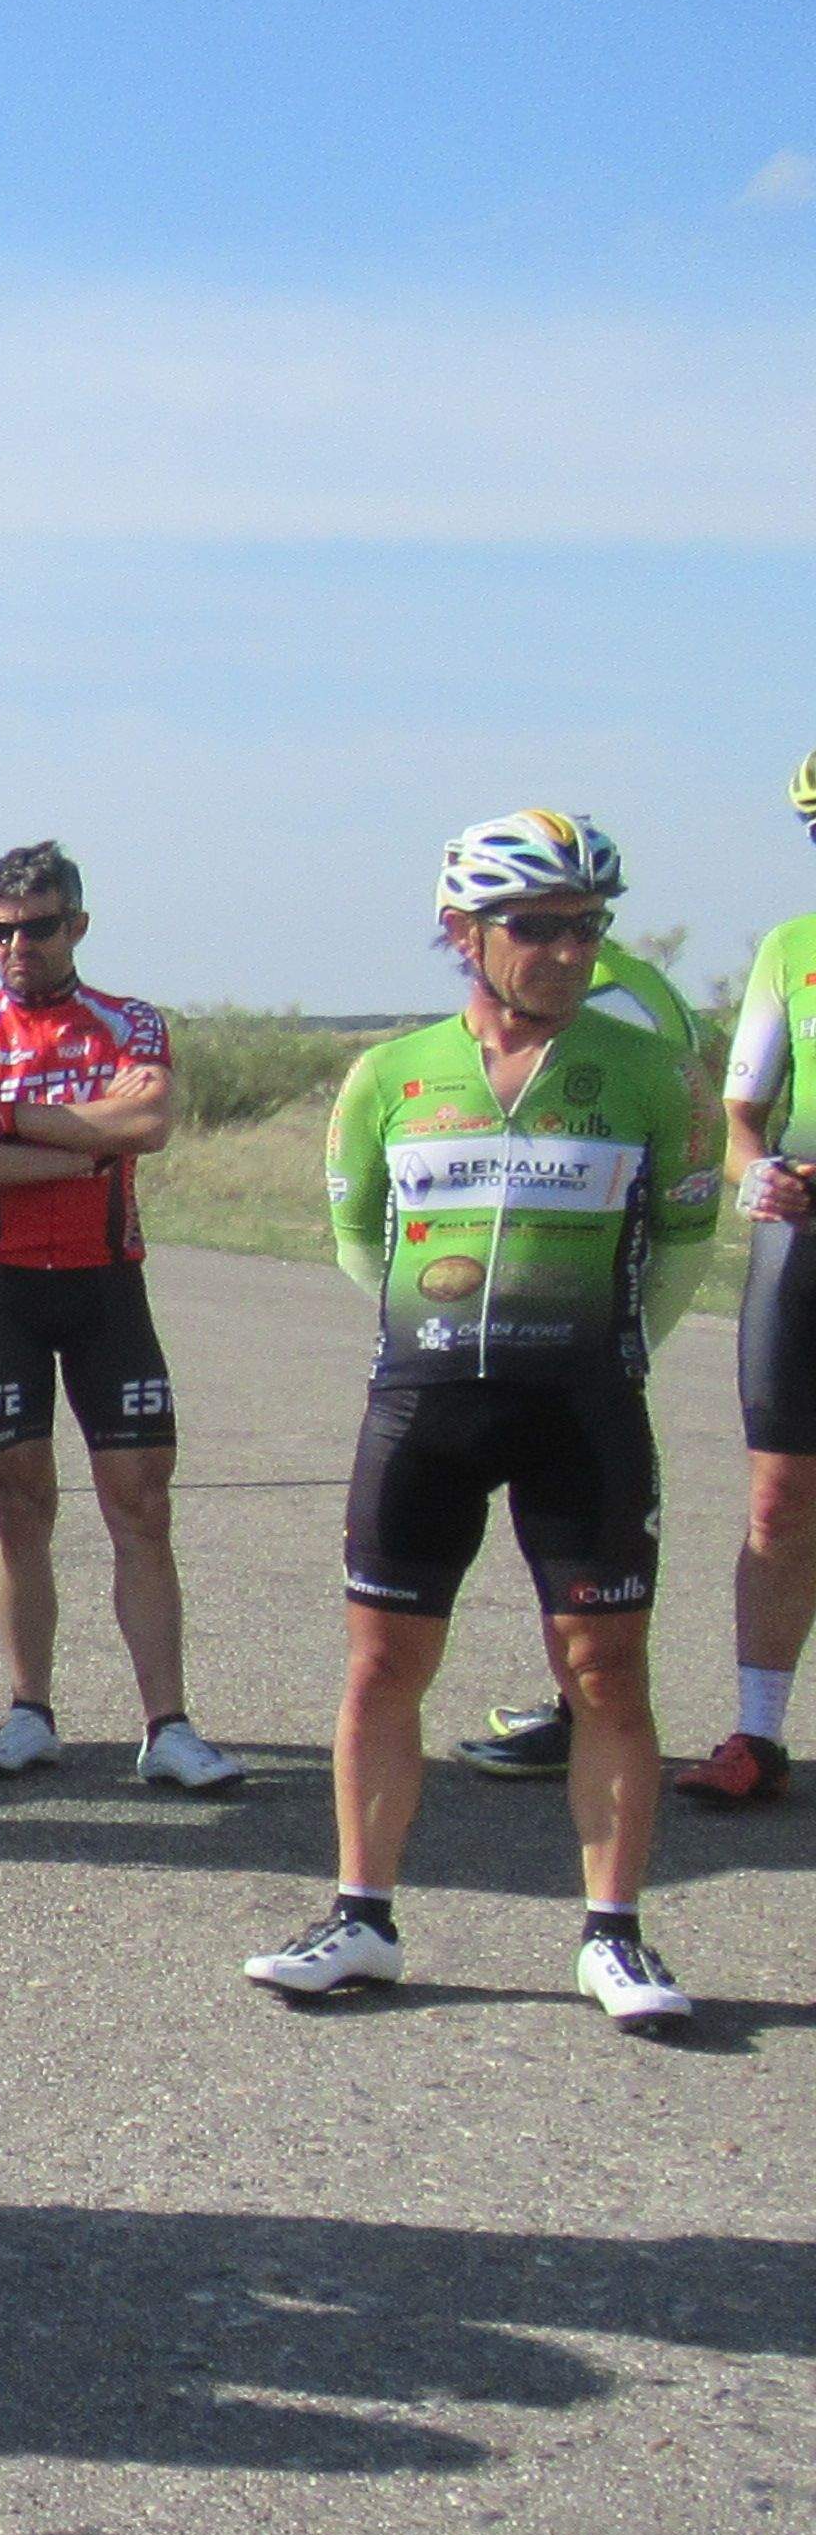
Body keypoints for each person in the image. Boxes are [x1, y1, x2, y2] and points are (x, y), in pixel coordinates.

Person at [249, 814, 720, 2027]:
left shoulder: (652, 1073)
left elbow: (682, 1247)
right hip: (426, 1402)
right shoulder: (389, 1074)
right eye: (539, 927)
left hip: (582, 1406)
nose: (569, 951)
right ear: (463, 933)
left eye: (589, 926)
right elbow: (360, 1242)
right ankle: (361, 1919)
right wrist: (451, 1339)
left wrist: (595, 1348)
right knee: (382, 1665)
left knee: (605, 1671)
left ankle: (614, 1937)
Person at [0, 843, 248, 1793]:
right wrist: (80, 1144)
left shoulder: (130, 1022)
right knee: (19, 1504)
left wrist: (9, 1122)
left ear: (77, 925)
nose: (18, 947)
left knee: (140, 1502)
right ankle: (29, 1713)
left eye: (39, 928)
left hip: (105, 1285)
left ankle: (167, 1726)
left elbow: (148, 1127)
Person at [450, 906, 716, 1786]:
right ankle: (578, 1706)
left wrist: (632, 1338)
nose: (564, 945)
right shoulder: (634, 980)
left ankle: (580, 1716)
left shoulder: (620, 995)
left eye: (582, 919)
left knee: (578, 1533)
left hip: (586, 1299)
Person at [693, 770, 816, 1811]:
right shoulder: (790, 948)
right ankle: (758, 1734)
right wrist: (760, 1175)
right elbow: (740, 1122)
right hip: (803, 1249)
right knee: (779, 1500)